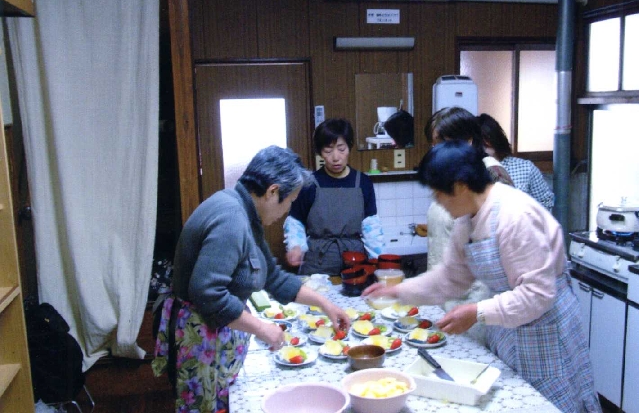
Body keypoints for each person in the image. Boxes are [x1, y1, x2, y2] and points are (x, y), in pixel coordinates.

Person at [363, 141, 601, 413]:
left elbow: (537, 294)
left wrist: (477, 311)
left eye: (439, 193)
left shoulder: (515, 215)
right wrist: (398, 291)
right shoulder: (467, 220)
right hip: (508, 325)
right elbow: (449, 278)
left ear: (461, 186)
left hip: (546, 329)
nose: (436, 201)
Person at [152, 146, 352, 413]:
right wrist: (261, 328)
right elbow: (207, 292)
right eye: (289, 201)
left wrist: (325, 304)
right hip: (201, 337)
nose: (288, 210)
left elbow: (273, 277)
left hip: (217, 332)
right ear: (272, 192)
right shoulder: (231, 218)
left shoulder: (245, 212)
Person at [424, 107, 514, 344]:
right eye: (433, 144)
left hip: (476, 300)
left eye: (442, 143)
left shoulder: (491, 174)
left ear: (468, 140)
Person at [284, 118, 384, 276]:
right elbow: (295, 221)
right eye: (328, 150)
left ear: (349, 147)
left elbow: (371, 227)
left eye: (341, 149)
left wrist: (379, 261)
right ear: (320, 152)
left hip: (355, 262)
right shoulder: (309, 184)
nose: (335, 157)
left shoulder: (363, 182)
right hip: (317, 262)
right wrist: (295, 246)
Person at [477, 113, 555, 212]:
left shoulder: (525, 168)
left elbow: (546, 201)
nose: (483, 148)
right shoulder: (470, 171)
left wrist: (527, 217)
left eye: (485, 143)